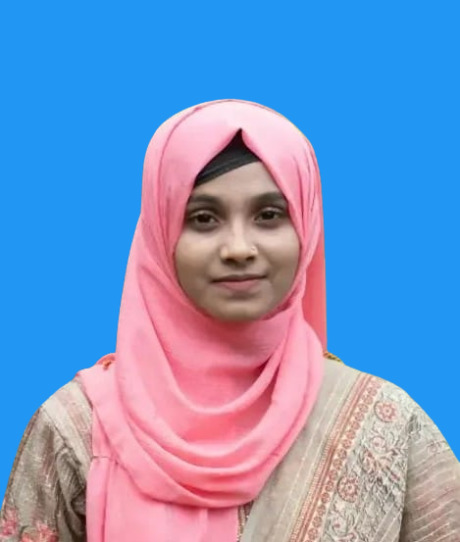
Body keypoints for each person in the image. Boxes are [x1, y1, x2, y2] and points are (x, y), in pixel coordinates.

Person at [1, 99, 459, 542]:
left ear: (306, 228)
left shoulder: (384, 423)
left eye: (269, 215)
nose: (239, 248)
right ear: (160, 234)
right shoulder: (79, 428)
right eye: (204, 218)